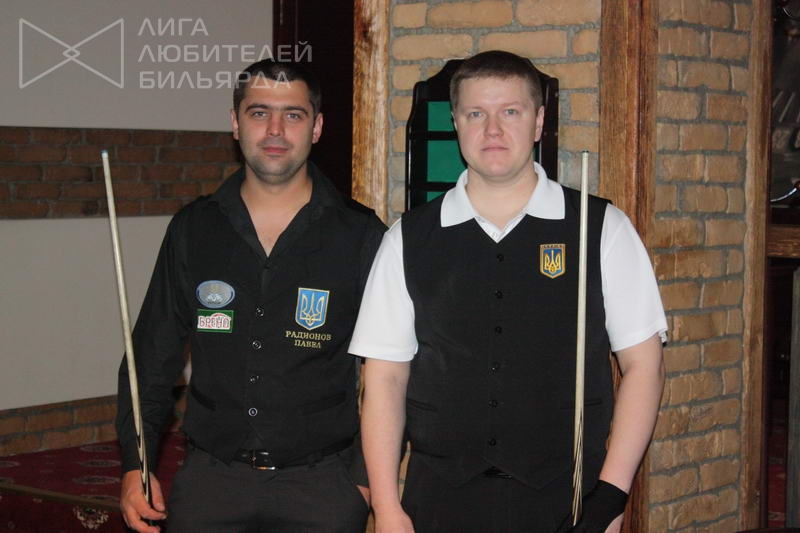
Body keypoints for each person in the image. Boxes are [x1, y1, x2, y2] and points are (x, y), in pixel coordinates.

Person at [350, 50, 667, 533]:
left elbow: (644, 366)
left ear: (538, 122)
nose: (493, 130)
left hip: (569, 499)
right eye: (476, 114)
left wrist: (611, 498)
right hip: (439, 498)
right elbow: (385, 379)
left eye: (511, 112)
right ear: (456, 123)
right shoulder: (407, 238)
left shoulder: (602, 228)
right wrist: (388, 508)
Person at [116, 59, 384, 533]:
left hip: (322, 489)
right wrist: (136, 463)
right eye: (259, 113)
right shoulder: (193, 228)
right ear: (235, 123)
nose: (275, 129)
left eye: (293, 115)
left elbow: (389, 367)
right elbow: (151, 356)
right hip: (211, 484)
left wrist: (364, 481)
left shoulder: (360, 234)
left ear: (317, 127)